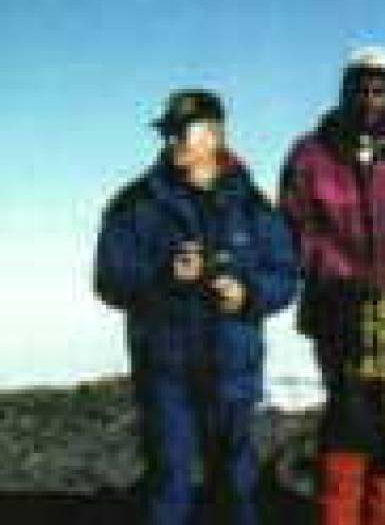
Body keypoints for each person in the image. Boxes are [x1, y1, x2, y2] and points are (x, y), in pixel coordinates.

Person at [95, 89, 297, 525]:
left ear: (214, 135)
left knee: (236, 486)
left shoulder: (252, 205)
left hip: (232, 369)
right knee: (169, 484)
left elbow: (285, 275)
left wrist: (247, 294)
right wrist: (164, 277)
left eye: (180, 132)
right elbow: (109, 279)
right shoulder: (135, 203)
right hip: (166, 371)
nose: (171, 142)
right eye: (167, 133)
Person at [281, 47, 385, 525]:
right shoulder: (312, 154)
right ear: (345, 89)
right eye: (363, 88)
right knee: (350, 426)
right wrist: (344, 281)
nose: (371, 99)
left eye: (381, 90)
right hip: (340, 314)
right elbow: (297, 229)